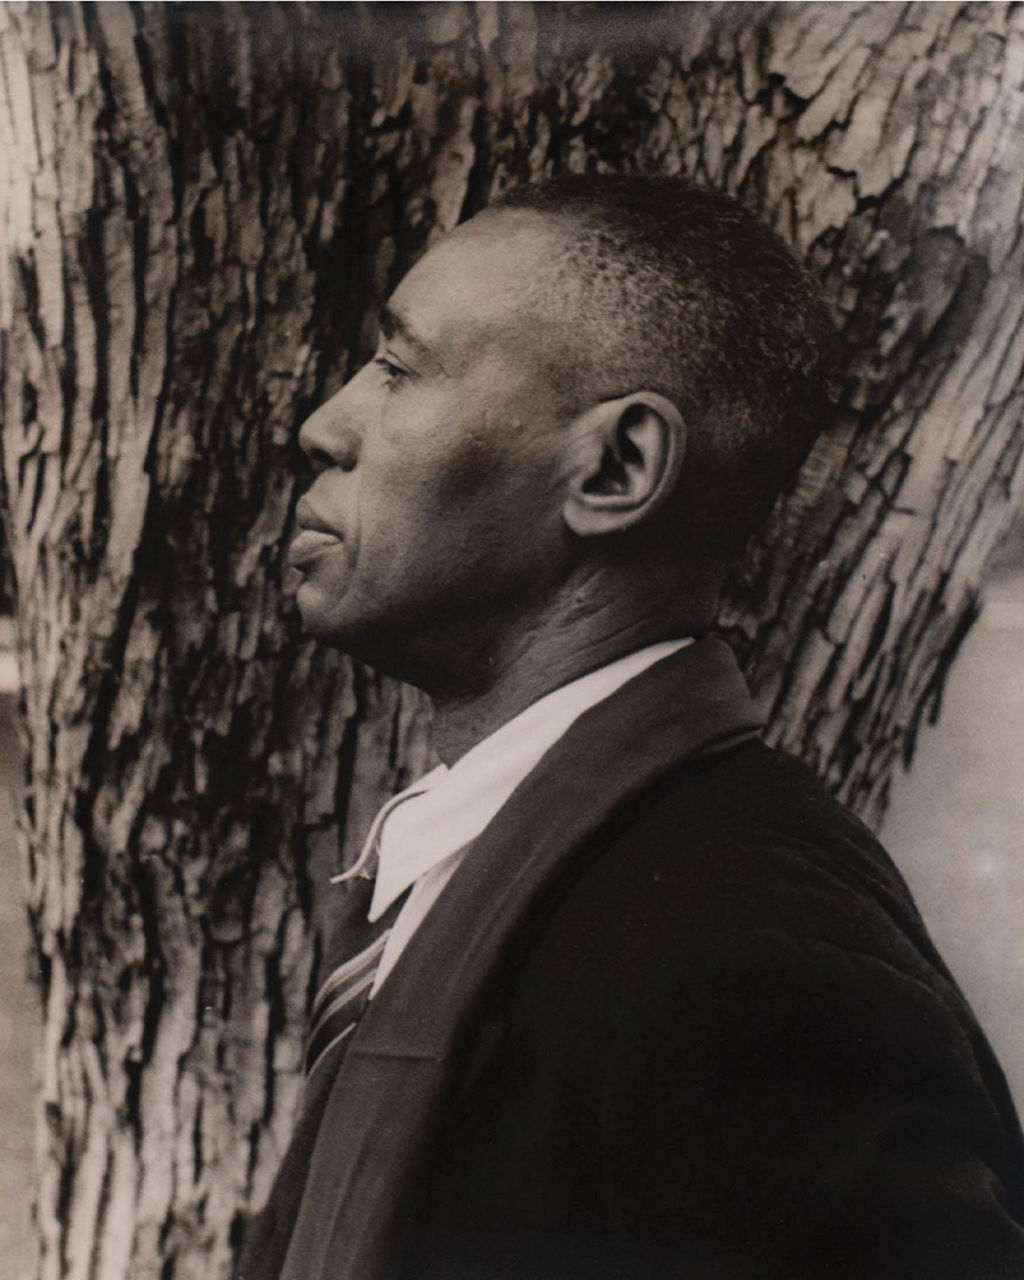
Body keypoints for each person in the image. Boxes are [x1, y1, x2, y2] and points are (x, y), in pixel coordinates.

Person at [236, 174, 1024, 1280]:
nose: (323, 424)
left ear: (615, 467)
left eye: (400, 368)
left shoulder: (744, 940)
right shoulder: (518, 867)